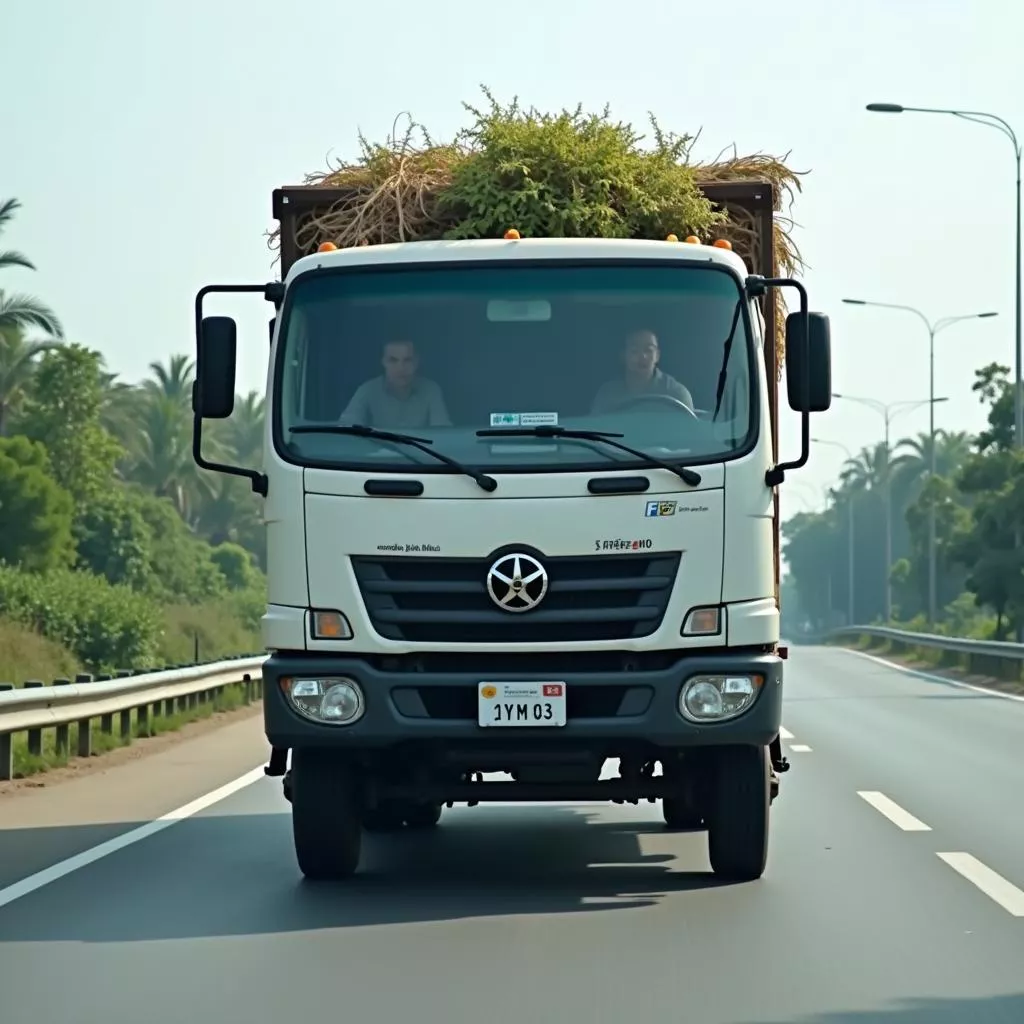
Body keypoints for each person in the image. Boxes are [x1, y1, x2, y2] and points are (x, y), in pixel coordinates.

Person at [340, 340, 451, 429]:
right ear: (383, 362)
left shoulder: (431, 390)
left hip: (420, 456)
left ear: (417, 362)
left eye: (407, 360)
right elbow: (347, 426)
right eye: (393, 360)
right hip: (376, 456)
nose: (400, 368)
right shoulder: (367, 390)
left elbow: (442, 433)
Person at [590, 329, 694, 414]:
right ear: (623, 356)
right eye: (634, 351)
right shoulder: (607, 395)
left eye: (648, 350)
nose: (643, 356)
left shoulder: (677, 394)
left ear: (657, 356)